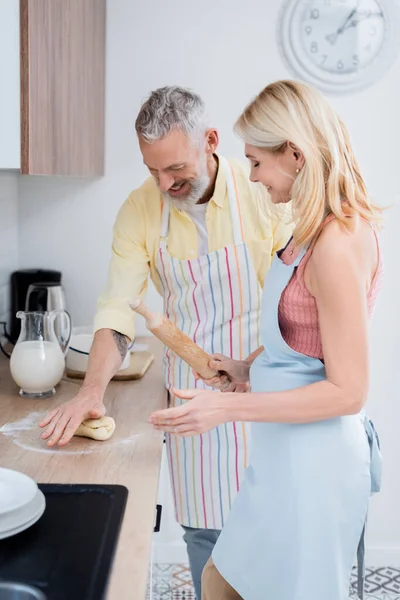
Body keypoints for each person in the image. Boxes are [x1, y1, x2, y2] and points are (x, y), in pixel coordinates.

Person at [39, 86, 293, 599]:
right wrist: (92, 392)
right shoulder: (140, 210)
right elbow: (117, 308)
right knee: (205, 532)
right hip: (191, 394)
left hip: (266, 379)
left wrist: (250, 367)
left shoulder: (262, 192)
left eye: (175, 168)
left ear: (211, 142)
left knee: (273, 530)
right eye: (153, 170)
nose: (164, 183)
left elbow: (286, 306)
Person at [148, 80, 383, 600]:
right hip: (282, 461)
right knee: (219, 580)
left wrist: (226, 409)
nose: (250, 177)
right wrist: (249, 368)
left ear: (294, 155)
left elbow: (348, 391)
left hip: (314, 469)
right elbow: (307, 340)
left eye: (255, 162)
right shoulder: (310, 228)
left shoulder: (338, 244)